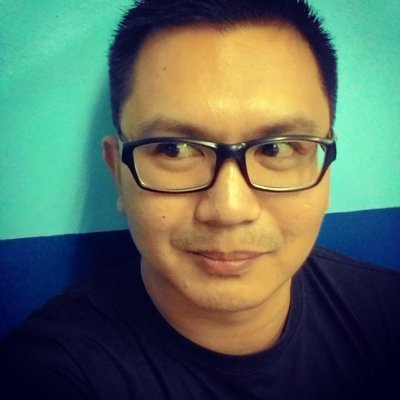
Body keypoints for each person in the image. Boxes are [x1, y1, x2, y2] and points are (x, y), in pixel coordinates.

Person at [1, 0, 399, 399]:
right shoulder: (48, 371)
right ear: (118, 173)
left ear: (325, 170)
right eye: (174, 149)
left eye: (276, 149)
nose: (229, 210)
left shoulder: (386, 313)